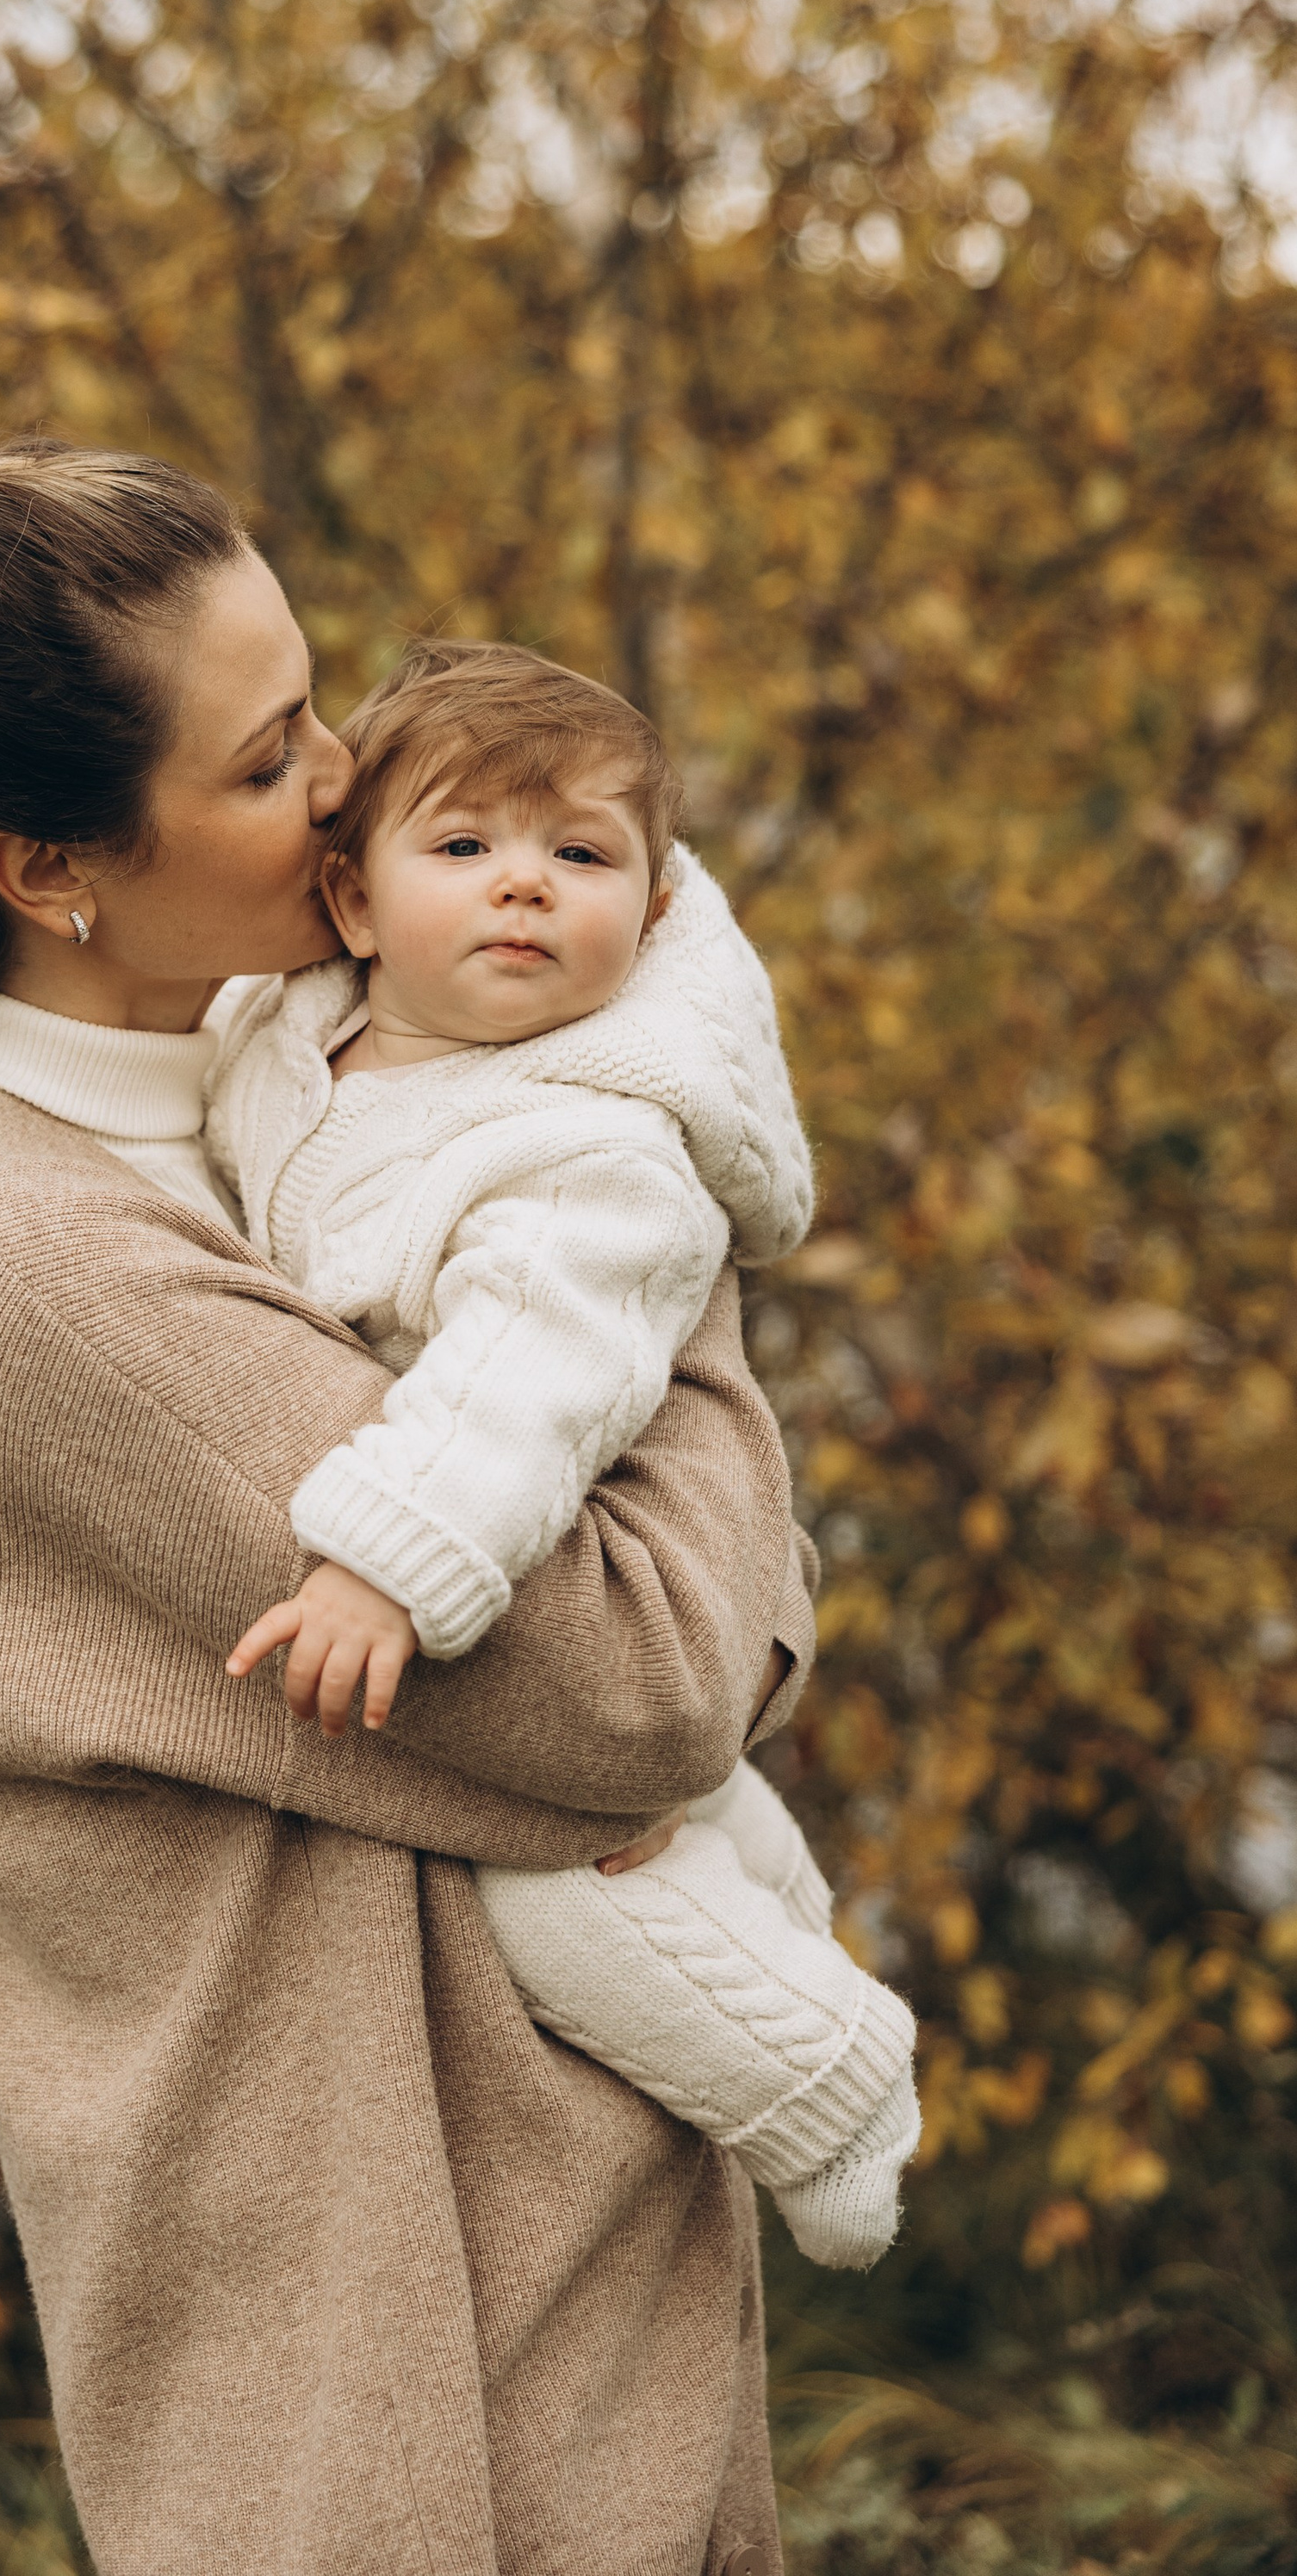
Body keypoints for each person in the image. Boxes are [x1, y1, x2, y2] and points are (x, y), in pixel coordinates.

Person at [0, 441, 818, 2576]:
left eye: (315, 702)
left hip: (529, 2285)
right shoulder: (35, 1272)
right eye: (265, 754)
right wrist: (649, 1177)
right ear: (51, 870)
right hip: (394, 2393)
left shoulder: (296, 1090)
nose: (347, 776)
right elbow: (660, 1684)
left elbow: (722, 1614)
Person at [208, 637, 919, 2270]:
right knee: (697, 1812)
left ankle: (827, 2078)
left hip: (535, 1524)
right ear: (355, 904)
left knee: (546, 1885)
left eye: (580, 856)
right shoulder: (290, 1026)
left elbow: (528, 1368)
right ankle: (780, 1905)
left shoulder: (596, 1144)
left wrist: (390, 1555)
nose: (523, 886)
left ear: (656, 910)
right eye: (464, 847)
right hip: (554, 1543)